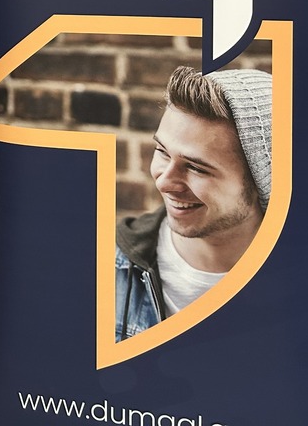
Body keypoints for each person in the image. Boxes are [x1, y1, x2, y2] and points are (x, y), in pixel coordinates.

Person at [114, 66, 272, 342]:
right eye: (162, 152)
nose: (164, 182)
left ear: (263, 180)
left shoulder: (306, 288)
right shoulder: (110, 268)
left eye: (197, 168)